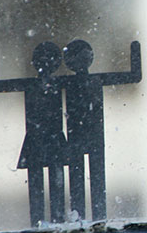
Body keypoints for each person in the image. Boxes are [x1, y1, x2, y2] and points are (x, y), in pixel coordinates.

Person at [0, 42, 67, 226]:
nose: (45, 64)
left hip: (48, 140)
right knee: (44, 182)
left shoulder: (52, 83)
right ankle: (42, 222)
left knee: (54, 182)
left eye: (49, 59)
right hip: (39, 140)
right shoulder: (48, 83)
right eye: (42, 59)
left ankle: (52, 221)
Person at [59, 39, 141, 222]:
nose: (81, 62)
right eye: (78, 57)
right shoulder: (82, 81)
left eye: (84, 57)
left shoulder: (80, 81)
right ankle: (86, 219)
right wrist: (135, 52)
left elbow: (134, 76)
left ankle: (93, 219)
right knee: (83, 179)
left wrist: (135, 52)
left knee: (89, 178)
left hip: (87, 136)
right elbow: (134, 76)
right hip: (82, 137)